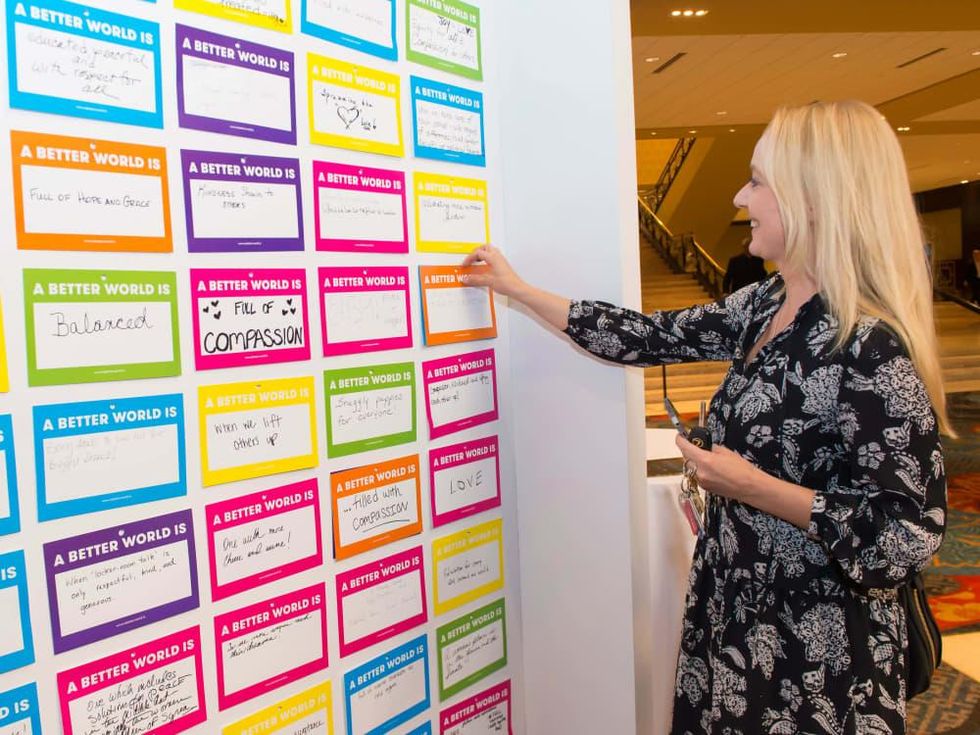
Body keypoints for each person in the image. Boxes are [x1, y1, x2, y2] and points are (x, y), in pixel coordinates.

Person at [461, 100, 949, 734]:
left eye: (757, 180)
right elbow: (642, 335)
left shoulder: (867, 344)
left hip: (817, 660)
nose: (741, 197)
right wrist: (518, 290)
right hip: (735, 622)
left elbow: (905, 533)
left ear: (811, 199)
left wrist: (754, 488)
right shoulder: (765, 302)